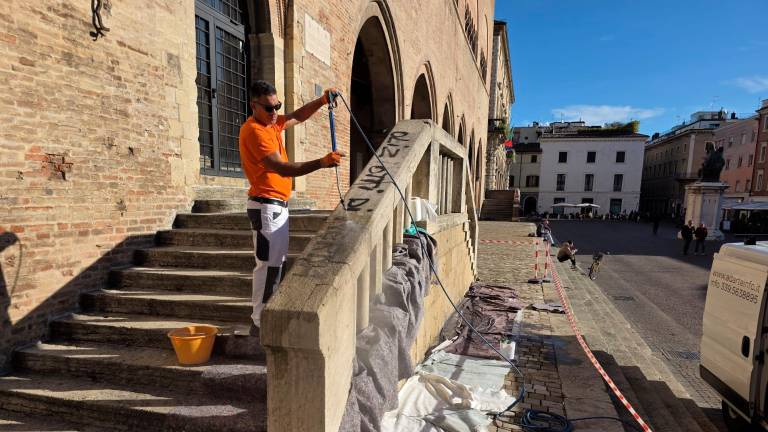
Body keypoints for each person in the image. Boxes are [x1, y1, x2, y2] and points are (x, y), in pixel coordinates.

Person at [239, 80, 345, 335]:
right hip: (266, 206)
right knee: (267, 265)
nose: (275, 111)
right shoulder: (254, 131)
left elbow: (297, 116)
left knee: (276, 263)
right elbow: (281, 168)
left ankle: (266, 316)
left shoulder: (272, 123)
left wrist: (321, 101)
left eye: (277, 106)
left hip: (276, 207)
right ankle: (260, 321)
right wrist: (320, 163)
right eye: (269, 108)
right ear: (254, 106)